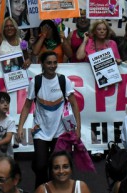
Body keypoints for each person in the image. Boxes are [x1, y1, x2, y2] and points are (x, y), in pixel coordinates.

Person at [17, 51, 82, 188]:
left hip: (60, 131)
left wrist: (78, 129)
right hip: (40, 130)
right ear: (42, 64)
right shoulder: (36, 81)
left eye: (54, 63)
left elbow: (75, 105)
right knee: (40, 167)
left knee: (56, 167)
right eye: (49, 63)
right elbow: (27, 105)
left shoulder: (64, 81)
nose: (52, 66)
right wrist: (20, 127)